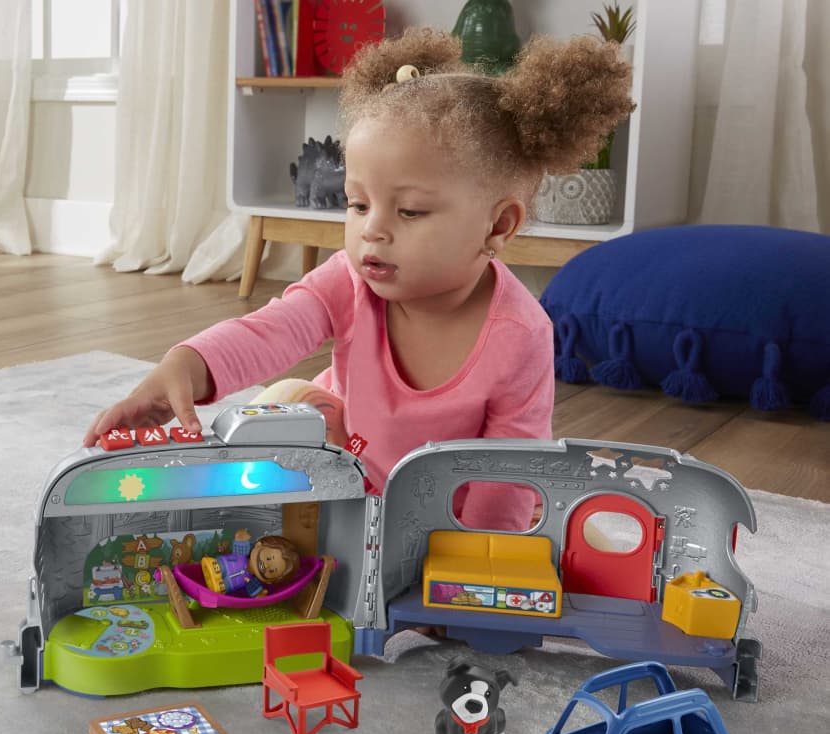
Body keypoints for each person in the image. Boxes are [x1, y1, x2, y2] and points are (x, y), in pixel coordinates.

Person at [84, 28, 634, 531]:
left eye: (410, 211)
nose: (372, 230)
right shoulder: (351, 280)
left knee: (544, 522)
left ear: (498, 225)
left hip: (445, 505)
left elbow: (506, 472)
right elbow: (272, 330)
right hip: (343, 459)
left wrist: (472, 562)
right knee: (280, 409)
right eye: (357, 204)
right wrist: (186, 366)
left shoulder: (522, 333)